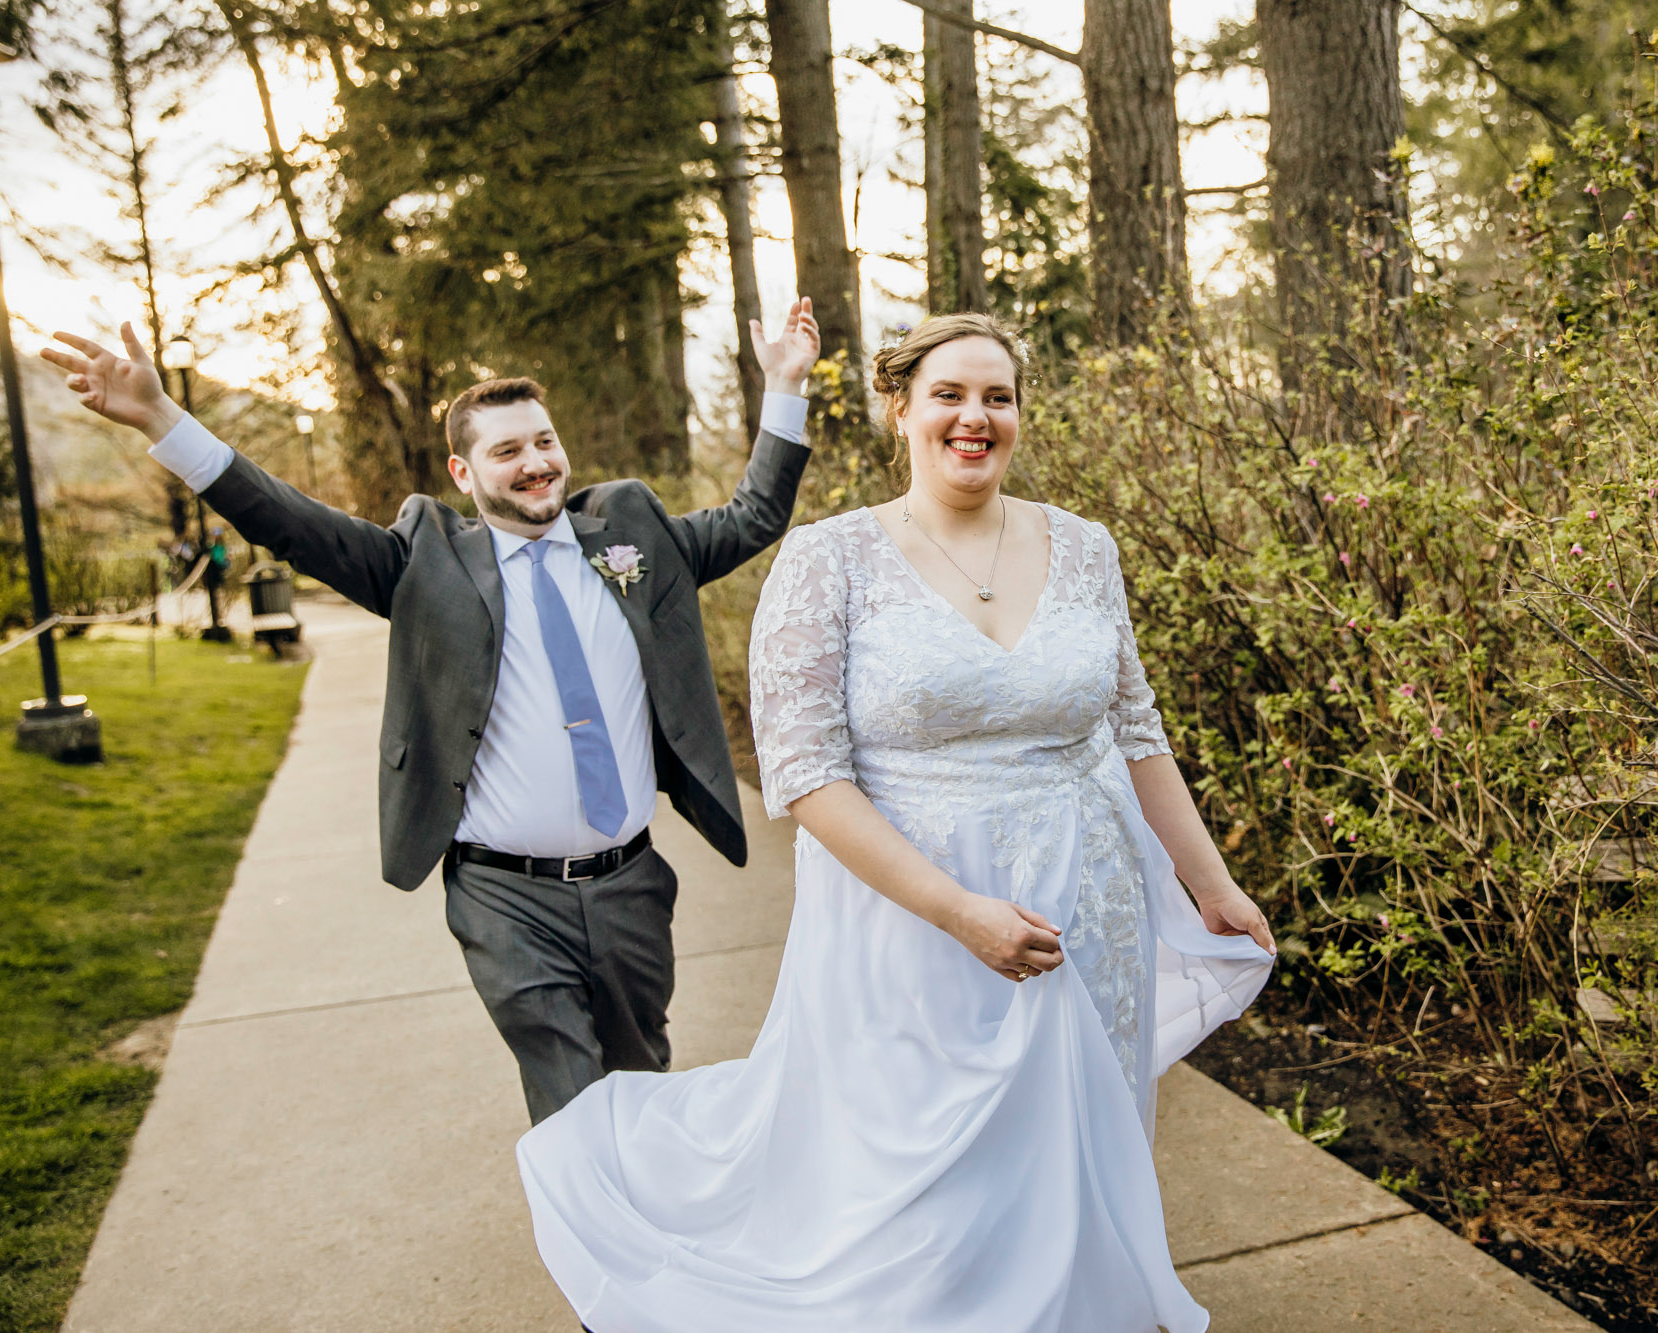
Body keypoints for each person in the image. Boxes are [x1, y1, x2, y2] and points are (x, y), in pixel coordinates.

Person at [516, 313, 1278, 1332]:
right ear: (900, 409)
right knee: (922, 1168)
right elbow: (807, 775)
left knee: (1071, 1142)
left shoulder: (1085, 548)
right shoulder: (830, 560)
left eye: (996, 397)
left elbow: (1136, 732)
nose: (974, 417)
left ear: (1018, 414)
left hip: (1086, 897)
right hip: (907, 911)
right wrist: (956, 910)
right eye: (948, 395)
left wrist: (1210, 883)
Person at [41, 302, 823, 1124]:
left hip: (632, 886)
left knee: (642, 1081)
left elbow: (754, 517)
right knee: (574, 1101)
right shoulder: (425, 564)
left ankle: (651, 1235)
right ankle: (605, 1246)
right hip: (504, 897)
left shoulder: (631, 540)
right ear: (462, 472)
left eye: (544, 441)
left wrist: (783, 384)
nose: (536, 464)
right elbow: (287, 520)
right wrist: (164, 418)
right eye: (508, 450)